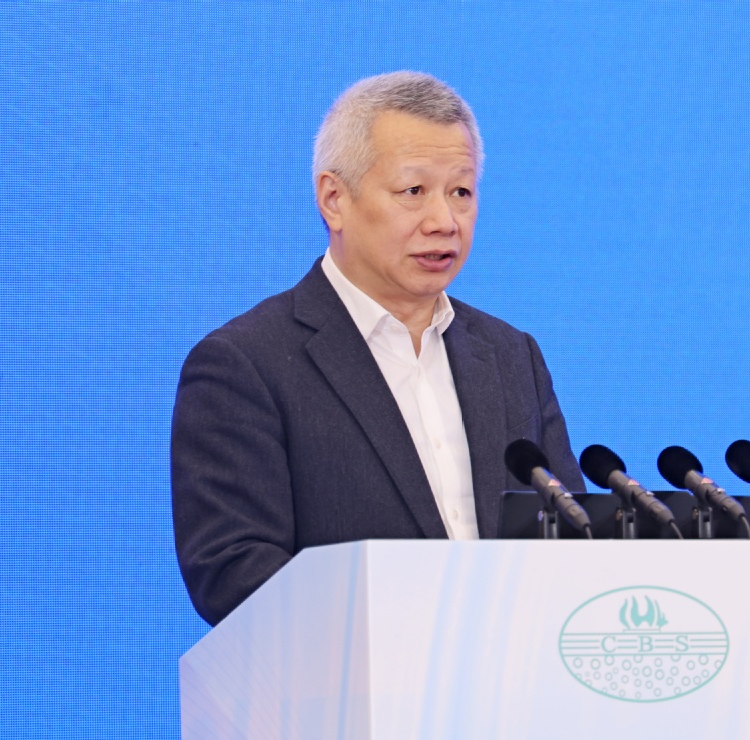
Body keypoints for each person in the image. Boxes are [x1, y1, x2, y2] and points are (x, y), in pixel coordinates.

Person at [171, 71, 583, 630]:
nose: (444, 222)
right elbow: (233, 574)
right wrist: (419, 627)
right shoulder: (245, 365)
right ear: (334, 199)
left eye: (460, 192)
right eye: (413, 192)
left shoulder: (512, 356)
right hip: (351, 680)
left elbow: (570, 539)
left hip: (512, 679)